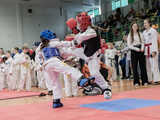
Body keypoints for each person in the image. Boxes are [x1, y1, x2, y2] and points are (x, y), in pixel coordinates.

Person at [66, 13, 112, 99]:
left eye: (78, 23)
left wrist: (75, 39)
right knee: (70, 50)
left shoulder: (91, 31)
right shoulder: (83, 32)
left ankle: (106, 87)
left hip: (94, 55)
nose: (77, 25)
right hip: (87, 54)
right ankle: (59, 55)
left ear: (84, 23)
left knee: (94, 73)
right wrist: (74, 34)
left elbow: (82, 37)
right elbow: (77, 39)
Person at [37, 30, 83, 108]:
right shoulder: (52, 42)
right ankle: (81, 79)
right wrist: (72, 43)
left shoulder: (40, 47)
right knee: (68, 69)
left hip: (46, 66)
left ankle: (56, 101)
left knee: (55, 83)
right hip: (54, 61)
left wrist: (41, 65)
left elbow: (39, 58)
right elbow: (62, 44)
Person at [127, 21, 148, 87]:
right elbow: (129, 45)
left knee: (143, 66)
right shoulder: (130, 35)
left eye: (136, 26)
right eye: (134, 26)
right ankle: (136, 82)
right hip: (134, 50)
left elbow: (143, 42)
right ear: (132, 27)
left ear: (138, 27)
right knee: (134, 67)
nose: (135, 27)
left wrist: (142, 48)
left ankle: (144, 81)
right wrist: (136, 49)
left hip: (141, 50)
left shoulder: (140, 33)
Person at [143, 19, 160, 84]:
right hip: (146, 49)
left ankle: (157, 79)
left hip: (152, 48)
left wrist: (154, 51)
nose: (144, 24)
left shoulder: (153, 31)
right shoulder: (144, 32)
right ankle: (149, 79)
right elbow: (143, 42)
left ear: (149, 23)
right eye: (144, 23)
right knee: (148, 66)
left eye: (146, 23)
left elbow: (155, 41)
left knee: (154, 65)